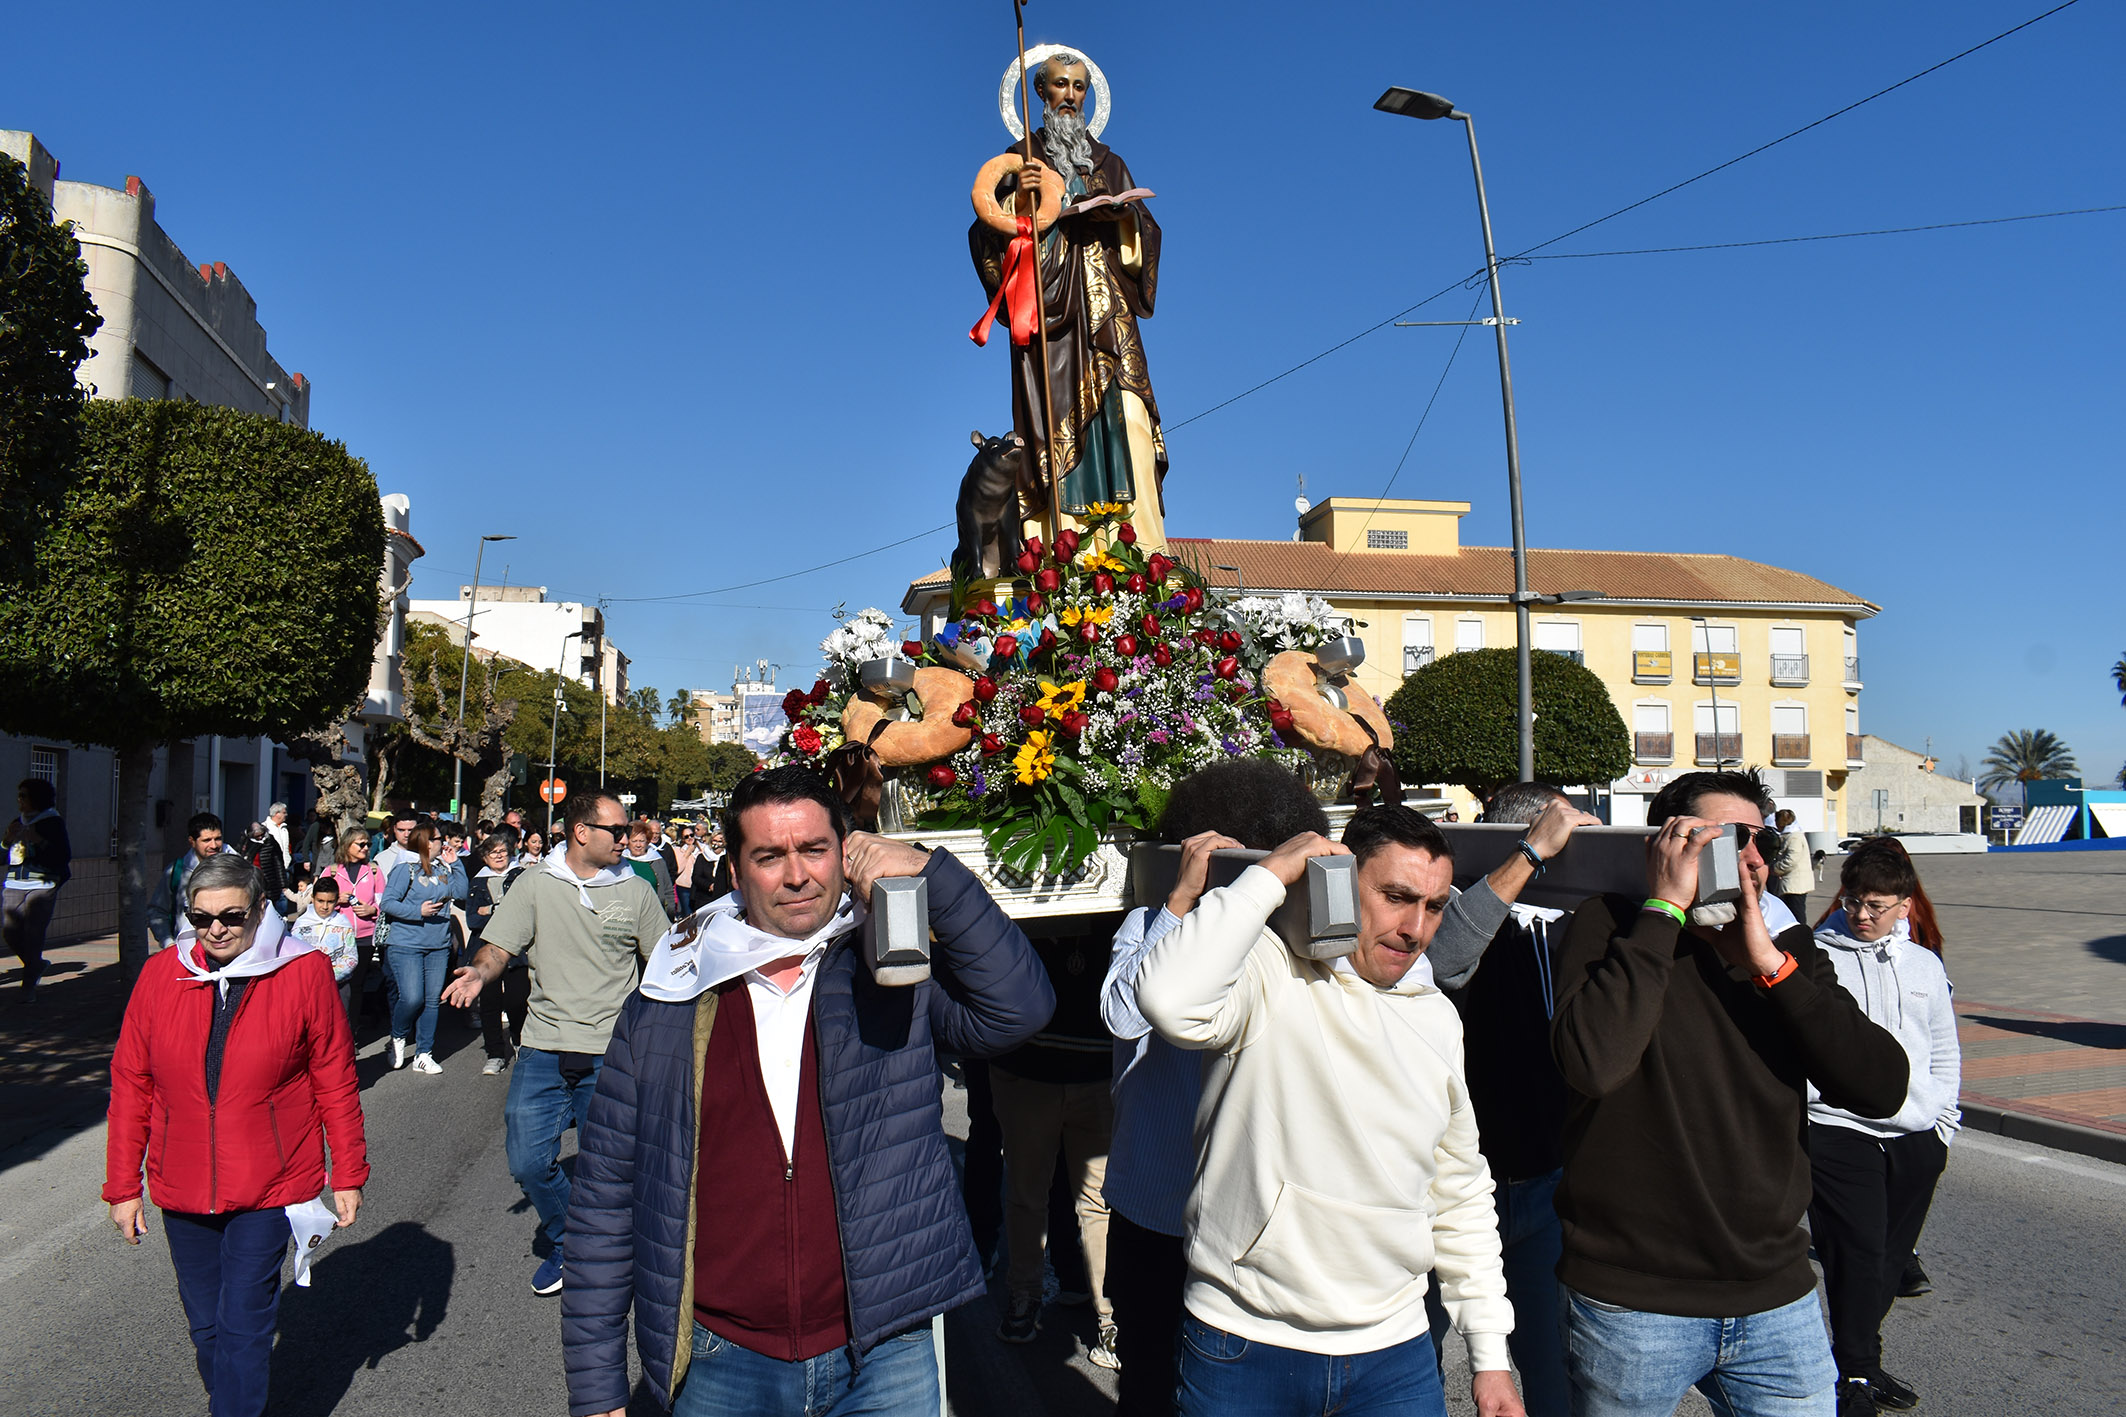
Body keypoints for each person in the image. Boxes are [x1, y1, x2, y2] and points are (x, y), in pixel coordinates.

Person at [559, 765, 1055, 1417]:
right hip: (722, 1359)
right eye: (769, 855)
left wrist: (930, 873)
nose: (797, 874)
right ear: (735, 871)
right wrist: (596, 1387)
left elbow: (1019, 1007)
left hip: (884, 1351)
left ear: (845, 854)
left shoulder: (891, 967)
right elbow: (604, 1196)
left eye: (814, 849)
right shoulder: (672, 991)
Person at [1134, 804, 1524, 1417]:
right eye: (1396, 897)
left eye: (1435, 905)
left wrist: (1490, 1355)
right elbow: (1169, 999)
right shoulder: (1270, 970)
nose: (1416, 928)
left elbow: (1459, 1189)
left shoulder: (1437, 1016)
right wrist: (1267, 877)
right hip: (1242, 1342)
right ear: (1340, 884)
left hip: (1395, 1353)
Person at [1549, 770, 1909, 1417]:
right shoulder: (1607, 925)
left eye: (1762, 843)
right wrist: (1663, 915)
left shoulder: (1783, 944)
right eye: (1731, 838)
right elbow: (1594, 1063)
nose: (1751, 858)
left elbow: (1882, 1085)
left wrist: (1770, 964)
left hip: (1776, 1299)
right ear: (1670, 844)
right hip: (1633, 1303)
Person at [1100, 759, 1330, 1416]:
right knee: (1148, 1381)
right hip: (1155, 1210)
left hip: (1246, 1225)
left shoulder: (1279, 939)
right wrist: (1178, 904)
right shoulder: (1149, 922)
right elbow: (1125, 1013)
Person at [103, 854, 367, 1417]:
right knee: (206, 1328)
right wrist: (123, 1187)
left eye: (231, 916)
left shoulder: (305, 972)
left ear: (261, 912)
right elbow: (131, 1084)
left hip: (271, 1182)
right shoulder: (160, 975)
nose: (216, 929)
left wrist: (347, 1172)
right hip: (182, 1184)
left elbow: (335, 1081)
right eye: (201, 918)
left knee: (244, 1323)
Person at [440, 790, 670, 1294]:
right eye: (616, 830)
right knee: (526, 1160)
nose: (627, 838)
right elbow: (498, 947)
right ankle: (570, 1238)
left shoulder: (636, 891)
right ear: (582, 832)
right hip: (544, 1045)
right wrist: (480, 974)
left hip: (613, 1049)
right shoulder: (537, 884)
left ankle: (610, 1251)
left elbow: (665, 968)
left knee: (609, 1168)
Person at [1417, 784, 1601, 1417]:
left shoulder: (1578, 922)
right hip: (1451, 1195)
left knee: (1553, 1366)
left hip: (1545, 1187)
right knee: (1421, 1363)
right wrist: (1528, 859)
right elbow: (1441, 963)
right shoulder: (1454, 910)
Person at [969, 47, 1168, 549]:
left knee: (1130, 418)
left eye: (1079, 88)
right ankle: (1062, 549)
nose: (1070, 97)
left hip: (1107, 311)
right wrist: (1023, 198)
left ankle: (1140, 550)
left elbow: (1145, 232)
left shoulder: (1109, 161)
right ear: (1040, 91)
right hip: (1050, 315)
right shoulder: (1020, 162)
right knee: (1051, 427)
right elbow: (988, 234)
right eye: (1060, 85)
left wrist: (1122, 216)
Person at [1807, 839, 1960, 1416]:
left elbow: (1943, 1049)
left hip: (1917, 1134)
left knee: (1891, 1261)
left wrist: (1943, 1121)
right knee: (1859, 1252)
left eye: (1876, 905)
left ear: (1904, 904)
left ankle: (1855, 1361)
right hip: (1838, 1129)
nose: (1862, 915)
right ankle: (1857, 1377)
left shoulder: (1924, 963)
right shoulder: (1818, 956)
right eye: (1852, 902)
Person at [990, 906, 1119, 1362]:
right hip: (1030, 1068)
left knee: (1097, 1201)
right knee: (1030, 1195)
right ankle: (1025, 1296)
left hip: (1093, 1069)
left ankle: (1109, 1317)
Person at [380, 822, 467, 1073]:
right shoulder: (404, 869)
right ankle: (397, 1036)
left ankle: (424, 1053)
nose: (445, 842)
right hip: (406, 944)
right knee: (412, 997)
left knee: (431, 1001)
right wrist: (417, 911)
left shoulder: (443, 869)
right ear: (427, 842)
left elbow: (460, 893)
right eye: (440, 839)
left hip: (437, 944)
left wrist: (457, 863)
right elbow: (388, 903)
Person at [466, 833, 530, 1077]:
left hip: (516, 950)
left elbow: (522, 912)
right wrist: (500, 910)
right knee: (489, 1004)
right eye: (493, 853)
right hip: (484, 948)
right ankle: (494, 1053)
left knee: (517, 999)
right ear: (485, 857)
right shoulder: (477, 882)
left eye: (503, 851)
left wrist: (491, 909)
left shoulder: (521, 876)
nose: (499, 856)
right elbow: (473, 919)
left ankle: (518, 1037)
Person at [4, 777, 72, 1002]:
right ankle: (37, 965)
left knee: (33, 934)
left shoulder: (52, 822)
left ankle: (28, 987)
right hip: (15, 882)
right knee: (10, 931)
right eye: (19, 796)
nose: (20, 800)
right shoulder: (18, 821)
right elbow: (4, 854)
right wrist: (6, 842)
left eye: (24, 796)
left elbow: (62, 855)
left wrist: (38, 841)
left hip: (43, 883)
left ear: (37, 798)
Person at [319, 833, 385, 1037]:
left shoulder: (373, 871)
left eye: (368, 844)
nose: (366, 847)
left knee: (356, 986)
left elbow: (384, 904)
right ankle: (330, 1030)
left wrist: (372, 910)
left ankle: (349, 1033)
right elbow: (317, 902)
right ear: (347, 845)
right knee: (333, 984)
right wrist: (336, 900)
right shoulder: (331, 872)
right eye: (361, 844)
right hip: (336, 937)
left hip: (365, 936)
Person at [292, 873, 361, 1021]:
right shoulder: (302, 924)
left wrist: (329, 976)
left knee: (338, 1022)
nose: (324, 906)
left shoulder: (343, 924)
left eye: (330, 902)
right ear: (313, 899)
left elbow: (351, 957)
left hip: (338, 985)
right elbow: (294, 955)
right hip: (308, 985)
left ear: (336, 901)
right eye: (320, 901)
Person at [624, 818, 682, 919]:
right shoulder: (622, 860)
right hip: (627, 913)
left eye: (642, 841)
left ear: (647, 842)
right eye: (634, 841)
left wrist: (670, 913)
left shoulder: (657, 860)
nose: (638, 845)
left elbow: (668, 889)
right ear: (628, 842)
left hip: (653, 914)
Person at [1771, 808, 1816, 923]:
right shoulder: (1791, 835)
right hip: (1792, 883)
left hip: (1796, 884)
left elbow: (1791, 859)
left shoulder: (1794, 837)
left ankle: (1801, 937)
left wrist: (1775, 869)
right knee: (1791, 912)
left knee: (1796, 913)